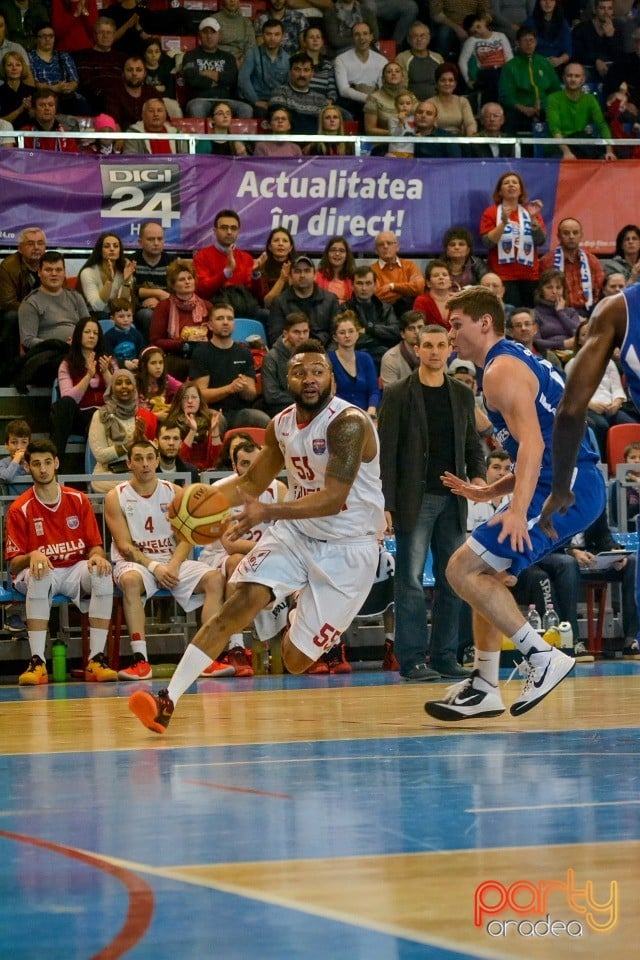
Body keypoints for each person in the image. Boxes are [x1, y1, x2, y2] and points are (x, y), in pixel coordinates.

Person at [128, 339, 386, 732]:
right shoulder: (280, 424)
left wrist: (269, 510)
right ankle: (167, 700)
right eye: (301, 372)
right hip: (297, 534)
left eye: (318, 371)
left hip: (348, 549)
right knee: (239, 602)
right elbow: (251, 482)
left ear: (331, 378)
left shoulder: (347, 424)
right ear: (287, 379)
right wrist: (193, 502)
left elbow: (334, 499)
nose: (310, 379)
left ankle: (292, 604)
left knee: (297, 661)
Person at [423, 286, 606, 721]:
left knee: (459, 569)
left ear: (484, 323)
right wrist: (493, 491)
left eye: (456, 324)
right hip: (570, 480)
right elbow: (542, 444)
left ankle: (541, 657)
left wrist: (519, 511)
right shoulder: (513, 360)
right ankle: (485, 686)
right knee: (484, 577)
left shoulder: (499, 369)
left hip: (567, 486)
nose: (451, 336)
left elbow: (535, 446)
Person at [378, 324, 486, 681]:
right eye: (428, 346)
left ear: (450, 350)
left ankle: (444, 655)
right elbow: (386, 455)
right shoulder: (396, 394)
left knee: (452, 579)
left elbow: (472, 443)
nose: (435, 352)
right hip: (415, 498)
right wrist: (386, 504)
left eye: (442, 345)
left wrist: (479, 478)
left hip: (453, 498)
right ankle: (411, 660)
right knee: (409, 580)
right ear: (417, 349)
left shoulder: (461, 394)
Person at [105, 437, 223, 681]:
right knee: (129, 581)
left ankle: (207, 659)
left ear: (158, 460)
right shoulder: (115, 496)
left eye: (150, 458)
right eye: (138, 459)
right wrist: (155, 567)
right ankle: (141, 661)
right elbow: (125, 546)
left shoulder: (176, 493)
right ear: (129, 463)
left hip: (170, 560)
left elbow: (187, 537)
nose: (145, 464)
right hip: (137, 563)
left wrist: (173, 564)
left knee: (215, 579)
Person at [6, 439, 116, 686]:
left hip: (75, 568)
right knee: (41, 572)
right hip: (39, 573)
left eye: (47, 462)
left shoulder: (78, 500)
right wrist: (32, 555)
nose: (43, 469)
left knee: (101, 573)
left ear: (56, 463)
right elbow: (13, 564)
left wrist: (97, 556)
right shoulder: (19, 508)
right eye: (36, 464)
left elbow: (94, 545)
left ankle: (96, 659)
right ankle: (37, 662)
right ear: (27, 467)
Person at [197, 436, 289, 678]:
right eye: (245, 463)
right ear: (235, 466)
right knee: (238, 562)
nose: (251, 468)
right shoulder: (222, 491)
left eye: (256, 462)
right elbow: (230, 544)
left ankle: (307, 646)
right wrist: (268, 549)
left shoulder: (279, 489)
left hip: (264, 555)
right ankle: (235, 646)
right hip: (219, 557)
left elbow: (291, 535)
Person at [189, 298, 270, 430]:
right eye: (220, 318)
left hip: (239, 412)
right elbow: (201, 395)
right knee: (217, 422)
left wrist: (244, 388)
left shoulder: (244, 353)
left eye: (230, 319)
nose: (226, 322)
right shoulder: (201, 352)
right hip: (212, 410)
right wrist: (229, 389)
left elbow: (251, 395)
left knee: (263, 420)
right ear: (209, 325)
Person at [564, 318, 639, 457]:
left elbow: (617, 388)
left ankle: (632, 462)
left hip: (611, 406)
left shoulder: (608, 362)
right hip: (589, 407)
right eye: (584, 334)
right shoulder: (572, 364)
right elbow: (572, 394)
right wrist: (590, 405)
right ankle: (603, 462)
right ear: (579, 340)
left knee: (631, 424)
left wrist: (617, 402)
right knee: (601, 425)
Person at [50, 316, 113, 471]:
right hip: (81, 417)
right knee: (64, 404)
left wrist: (106, 373)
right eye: (87, 332)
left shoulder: (108, 361)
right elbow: (69, 398)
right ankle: (57, 464)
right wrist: (88, 376)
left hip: (106, 415)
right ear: (79, 335)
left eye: (95, 333)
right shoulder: (67, 364)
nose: (92, 336)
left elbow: (120, 394)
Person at [479, 171, 546, 308]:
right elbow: (487, 243)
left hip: (529, 275)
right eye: (506, 183)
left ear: (521, 190)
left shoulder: (531, 211)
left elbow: (540, 241)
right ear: (500, 191)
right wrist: (503, 223)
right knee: (509, 315)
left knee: (528, 316)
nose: (511, 185)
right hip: (503, 275)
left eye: (514, 182)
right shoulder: (491, 212)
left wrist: (533, 219)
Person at [87, 368, 157, 491]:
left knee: (146, 480)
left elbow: (150, 452)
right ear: (112, 388)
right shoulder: (101, 415)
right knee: (139, 484)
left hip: (136, 472)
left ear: (134, 388)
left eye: (128, 383)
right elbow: (100, 455)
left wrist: (141, 439)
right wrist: (128, 445)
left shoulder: (140, 414)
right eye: (119, 383)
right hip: (108, 474)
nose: (124, 386)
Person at [149, 258, 211, 377]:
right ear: (173, 285)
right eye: (182, 279)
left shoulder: (207, 306)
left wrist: (204, 341)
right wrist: (183, 344)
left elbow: (214, 337)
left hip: (203, 355)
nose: (187, 282)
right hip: (174, 356)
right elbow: (156, 341)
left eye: (190, 278)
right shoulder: (163, 307)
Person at [181, 16, 252, 120]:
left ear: (219, 35)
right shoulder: (190, 56)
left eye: (213, 32)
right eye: (205, 32)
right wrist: (220, 79)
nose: (209, 36)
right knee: (197, 108)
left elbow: (232, 79)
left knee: (246, 109)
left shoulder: (228, 57)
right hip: (200, 100)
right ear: (199, 35)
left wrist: (207, 73)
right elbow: (192, 79)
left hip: (226, 101)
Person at [18, 250, 89, 352]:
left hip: (78, 351)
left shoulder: (76, 297)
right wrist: (58, 345)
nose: (54, 274)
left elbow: (89, 327)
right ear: (39, 272)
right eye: (48, 270)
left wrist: (78, 342)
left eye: (58, 270)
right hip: (48, 354)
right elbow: (27, 340)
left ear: (64, 272)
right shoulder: (31, 302)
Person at [0, 225, 45, 380]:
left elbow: (63, 295)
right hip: (16, 312)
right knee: (11, 317)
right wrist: (34, 311)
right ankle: (9, 370)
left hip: (45, 311)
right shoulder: (8, 266)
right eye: (30, 244)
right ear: (20, 248)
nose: (36, 248)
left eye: (40, 243)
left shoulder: (51, 264)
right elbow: (7, 303)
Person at [546, 60, 616, 159]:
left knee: (603, 156)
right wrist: (566, 152)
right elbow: (555, 129)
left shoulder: (590, 99)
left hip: (580, 143)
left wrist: (609, 151)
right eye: (569, 76)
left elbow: (602, 125)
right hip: (559, 146)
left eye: (577, 76)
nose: (573, 79)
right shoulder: (553, 98)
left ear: (583, 80)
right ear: (564, 78)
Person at [498, 25, 561, 133]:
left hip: (546, 110)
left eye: (531, 40)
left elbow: (555, 90)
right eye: (525, 40)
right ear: (517, 43)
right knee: (510, 118)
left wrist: (548, 107)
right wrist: (523, 108)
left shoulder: (544, 63)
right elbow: (506, 95)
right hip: (520, 110)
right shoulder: (510, 66)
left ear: (536, 42)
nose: (529, 44)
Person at [268, 255, 340, 345]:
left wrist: (326, 356)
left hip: (324, 354)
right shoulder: (279, 302)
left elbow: (337, 335)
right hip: (292, 355)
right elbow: (276, 338)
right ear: (290, 276)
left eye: (307, 271)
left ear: (315, 275)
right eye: (297, 271)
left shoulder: (331, 300)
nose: (302, 275)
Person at [539, 216, 605, 312]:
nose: (571, 236)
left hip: (588, 310)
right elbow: (541, 293)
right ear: (558, 236)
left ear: (581, 235)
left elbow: (599, 290)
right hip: (556, 311)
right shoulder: (547, 261)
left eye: (575, 233)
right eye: (566, 233)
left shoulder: (592, 260)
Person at [193, 209, 261, 300]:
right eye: (224, 227)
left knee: (266, 314)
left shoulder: (246, 258)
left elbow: (256, 295)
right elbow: (202, 290)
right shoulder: (201, 256)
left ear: (238, 231)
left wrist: (255, 276)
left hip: (243, 307)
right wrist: (227, 272)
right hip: (213, 307)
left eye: (233, 228)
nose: (229, 232)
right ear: (215, 231)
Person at [343, 264, 400, 370]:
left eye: (368, 283)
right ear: (352, 285)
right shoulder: (344, 309)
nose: (364, 288)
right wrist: (381, 337)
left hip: (384, 358)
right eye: (359, 283)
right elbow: (348, 339)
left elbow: (396, 332)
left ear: (375, 285)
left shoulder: (386, 308)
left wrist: (370, 330)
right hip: (355, 358)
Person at [28, 22, 89, 116]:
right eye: (43, 36)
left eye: (51, 36)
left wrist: (67, 88)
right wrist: (53, 88)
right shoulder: (30, 57)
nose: (47, 39)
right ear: (36, 39)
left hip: (65, 95)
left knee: (81, 101)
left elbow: (74, 81)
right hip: (42, 96)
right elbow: (34, 83)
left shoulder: (64, 56)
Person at [328, 310, 381, 417]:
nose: (347, 336)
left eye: (351, 331)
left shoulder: (366, 358)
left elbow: (374, 390)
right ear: (335, 337)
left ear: (357, 334)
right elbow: (330, 395)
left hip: (366, 414)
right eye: (342, 333)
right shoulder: (328, 360)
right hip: (338, 415)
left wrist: (371, 409)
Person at [165, 381, 223, 471]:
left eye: (194, 397)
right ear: (179, 401)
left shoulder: (210, 421)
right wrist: (192, 431)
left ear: (200, 400)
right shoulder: (172, 424)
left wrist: (215, 431)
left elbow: (217, 461)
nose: (190, 401)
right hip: (184, 473)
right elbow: (179, 461)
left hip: (207, 473)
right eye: (185, 398)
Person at [334, 21, 386, 120]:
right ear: (353, 38)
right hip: (351, 102)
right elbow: (344, 90)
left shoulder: (382, 61)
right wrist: (367, 98)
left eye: (365, 34)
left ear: (371, 37)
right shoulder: (341, 59)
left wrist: (373, 98)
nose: (361, 38)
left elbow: (383, 88)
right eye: (357, 35)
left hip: (375, 100)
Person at [261, 310, 310, 416]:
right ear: (285, 334)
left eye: (305, 331)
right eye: (296, 332)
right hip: (282, 410)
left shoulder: (312, 353)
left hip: (308, 406)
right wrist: (303, 398)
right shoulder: (271, 358)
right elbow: (271, 395)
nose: (302, 336)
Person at [269, 52, 330, 135]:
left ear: (312, 73)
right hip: (286, 144)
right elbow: (281, 125)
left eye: (306, 70)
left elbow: (324, 127)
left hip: (314, 145)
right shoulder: (280, 92)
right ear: (290, 72)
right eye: (297, 70)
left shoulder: (320, 99)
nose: (302, 74)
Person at [74, 16, 126, 114]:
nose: (105, 36)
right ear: (94, 35)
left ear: (114, 35)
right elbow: (85, 84)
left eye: (109, 33)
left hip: (119, 101)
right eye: (101, 32)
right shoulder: (82, 56)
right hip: (93, 101)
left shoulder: (122, 58)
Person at [132, 221, 174, 342]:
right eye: (151, 239)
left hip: (168, 308)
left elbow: (181, 292)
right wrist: (158, 293)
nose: (156, 243)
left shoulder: (173, 262)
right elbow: (129, 291)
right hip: (138, 310)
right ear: (140, 242)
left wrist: (160, 301)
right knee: (147, 314)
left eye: (159, 239)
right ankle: (148, 353)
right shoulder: (131, 262)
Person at [238, 17, 289, 116]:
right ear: (262, 35)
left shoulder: (287, 59)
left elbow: (287, 86)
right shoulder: (252, 53)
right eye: (268, 34)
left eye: (277, 34)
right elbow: (243, 79)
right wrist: (256, 101)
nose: (272, 38)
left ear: (283, 36)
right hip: (255, 100)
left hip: (277, 102)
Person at [78, 232, 135, 320]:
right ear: (100, 251)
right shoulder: (88, 272)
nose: (112, 249)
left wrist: (126, 281)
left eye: (116, 246)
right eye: (107, 246)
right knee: (102, 315)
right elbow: (98, 307)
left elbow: (123, 306)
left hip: (116, 315)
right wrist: (109, 281)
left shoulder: (124, 270)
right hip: (93, 315)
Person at [458, 13, 513, 103]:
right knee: (493, 76)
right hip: (485, 71)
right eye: (474, 32)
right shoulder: (472, 41)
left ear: (483, 22)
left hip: (503, 70)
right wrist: (468, 80)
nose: (478, 32)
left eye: (478, 26)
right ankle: (494, 105)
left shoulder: (500, 36)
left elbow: (509, 56)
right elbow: (462, 61)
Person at [370, 230, 424, 315]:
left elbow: (419, 287)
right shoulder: (371, 270)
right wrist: (406, 293)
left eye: (389, 243)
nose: (385, 246)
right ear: (376, 250)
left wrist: (392, 286)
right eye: (381, 244)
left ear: (397, 247)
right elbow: (377, 296)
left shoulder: (409, 265)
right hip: (383, 314)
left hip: (409, 315)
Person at [572, 0, 623, 82]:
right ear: (595, 10)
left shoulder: (617, 29)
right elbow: (577, 54)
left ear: (613, 11)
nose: (606, 12)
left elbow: (618, 56)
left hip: (609, 68)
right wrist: (596, 61)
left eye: (609, 8)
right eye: (602, 8)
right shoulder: (582, 28)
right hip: (587, 67)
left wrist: (611, 37)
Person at [533, 268, 583, 352]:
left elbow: (578, 334)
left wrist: (560, 312)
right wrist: (562, 344)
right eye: (549, 287)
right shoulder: (535, 314)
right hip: (549, 354)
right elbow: (536, 342)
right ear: (541, 290)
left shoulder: (571, 312)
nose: (554, 291)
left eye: (558, 287)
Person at [104, 55, 156, 132]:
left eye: (138, 70)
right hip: (123, 138)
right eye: (129, 70)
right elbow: (113, 122)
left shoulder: (152, 93)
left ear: (145, 73)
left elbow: (164, 120)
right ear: (123, 73)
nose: (134, 73)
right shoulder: (114, 92)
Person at [122, 96, 188, 155]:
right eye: (151, 111)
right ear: (143, 115)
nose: (156, 114)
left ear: (165, 115)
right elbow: (129, 162)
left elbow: (186, 161)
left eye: (159, 111)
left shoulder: (177, 135)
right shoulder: (133, 134)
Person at [396, 21, 443, 101]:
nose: (419, 39)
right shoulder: (402, 58)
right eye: (415, 36)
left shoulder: (438, 58)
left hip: (436, 103)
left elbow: (443, 83)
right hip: (411, 104)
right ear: (408, 40)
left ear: (429, 38)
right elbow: (401, 87)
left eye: (422, 36)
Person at [20, 87, 79, 152]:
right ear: (34, 109)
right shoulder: (25, 133)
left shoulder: (66, 135)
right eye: (42, 105)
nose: (47, 108)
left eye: (51, 105)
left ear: (55, 109)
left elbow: (73, 160)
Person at [426, 61, 477, 135]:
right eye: (443, 80)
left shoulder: (462, 101)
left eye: (451, 80)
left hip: (458, 140)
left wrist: (471, 138)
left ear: (455, 84)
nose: (447, 83)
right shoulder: (430, 103)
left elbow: (470, 123)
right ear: (437, 84)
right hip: (437, 140)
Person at [251, 226, 296, 308]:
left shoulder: (297, 268)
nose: (280, 244)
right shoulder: (261, 268)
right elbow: (267, 303)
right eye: (276, 240)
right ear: (270, 247)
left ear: (290, 248)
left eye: (285, 241)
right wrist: (282, 279)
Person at [363, 60, 409, 137]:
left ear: (403, 78)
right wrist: (395, 133)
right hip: (383, 143)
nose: (393, 74)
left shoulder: (410, 97)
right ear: (383, 79)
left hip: (408, 142)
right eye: (389, 72)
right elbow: (369, 130)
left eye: (397, 71)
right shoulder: (374, 98)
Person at [379, 309, 423, 387]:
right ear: (402, 334)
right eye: (411, 328)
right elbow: (391, 395)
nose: (417, 331)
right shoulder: (390, 358)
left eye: (420, 327)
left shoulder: (435, 353)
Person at [523, 0, 571, 72]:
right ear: (539, 2)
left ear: (556, 2)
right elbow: (525, 48)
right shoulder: (530, 22)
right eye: (544, 0)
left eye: (551, 0)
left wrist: (560, 60)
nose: (548, 2)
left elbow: (568, 50)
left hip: (558, 64)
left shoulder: (563, 23)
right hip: (535, 64)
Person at [136, 345, 181, 420]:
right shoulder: (135, 382)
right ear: (144, 365)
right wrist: (155, 416)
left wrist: (173, 406)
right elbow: (132, 411)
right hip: (141, 422)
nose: (158, 367)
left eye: (161, 362)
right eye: (153, 363)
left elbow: (184, 389)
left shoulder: (166, 379)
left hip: (162, 419)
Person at [413, 259, 456, 328]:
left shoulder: (459, 300)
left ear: (450, 281)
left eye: (444, 275)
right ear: (428, 283)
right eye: (436, 275)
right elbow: (419, 328)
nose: (441, 277)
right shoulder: (421, 301)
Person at [155, 419, 199, 484]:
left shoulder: (191, 472)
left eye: (175, 439)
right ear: (156, 443)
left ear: (181, 443)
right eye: (166, 438)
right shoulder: (149, 472)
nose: (171, 443)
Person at [0, 49, 34, 130]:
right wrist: (20, 109)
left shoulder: (32, 91)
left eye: (18, 65)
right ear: (4, 68)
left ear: (23, 68)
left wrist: (30, 109)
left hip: (29, 136)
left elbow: (39, 120)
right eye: (9, 65)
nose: (14, 68)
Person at [316, 236, 355, 304]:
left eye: (341, 251)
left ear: (347, 255)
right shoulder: (316, 276)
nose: (337, 254)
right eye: (333, 250)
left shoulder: (352, 277)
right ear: (327, 254)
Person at [0, 417, 31, 496]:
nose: (19, 447)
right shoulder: (3, 463)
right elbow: (6, 478)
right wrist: (16, 459)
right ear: (7, 445)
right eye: (14, 442)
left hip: (30, 505)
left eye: (24, 442)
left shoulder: (33, 461)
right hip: (11, 505)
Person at [142, 35, 176, 100]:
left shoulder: (166, 71)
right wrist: (156, 88)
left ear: (160, 53)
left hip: (163, 101)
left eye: (157, 52)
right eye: (149, 52)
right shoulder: (140, 70)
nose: (154, 55)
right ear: (144, 54)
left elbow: (170, 94)